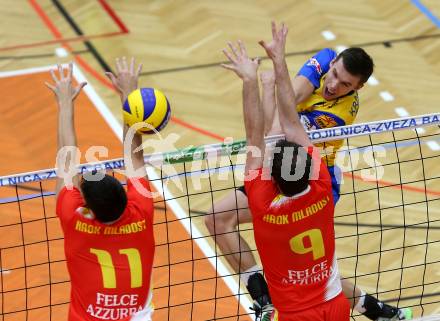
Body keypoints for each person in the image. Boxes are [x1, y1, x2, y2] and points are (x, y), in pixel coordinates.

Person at [208, 24, 412, 321]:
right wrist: (276, 88)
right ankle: (266, 295)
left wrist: (265, 87)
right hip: (294, 170)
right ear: (332, 64)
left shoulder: (335, 116)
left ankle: (372, 310)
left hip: (314, 180)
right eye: (333, 75)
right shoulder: (328, 56)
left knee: (305, 271)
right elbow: (289, 104)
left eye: (344, 85)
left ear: (358, 89)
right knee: (219, 219)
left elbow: (275, 128)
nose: (332, 85)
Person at [221, 24, 350, 320]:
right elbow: (290, 125)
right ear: (308, 167)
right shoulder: (322, 186)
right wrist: (279, 62)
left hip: (296, 313)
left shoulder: (263, 206)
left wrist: (250, 79)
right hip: (335, 306)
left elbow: (256, 135)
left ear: (274, 180)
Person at [48, 58, 155, 321]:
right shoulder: (141, 210)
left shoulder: (75, 219)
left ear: (87, 207)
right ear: (124, 195)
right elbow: (136, 156)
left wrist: (64, 104)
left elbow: (67, 158)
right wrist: (130, 96)